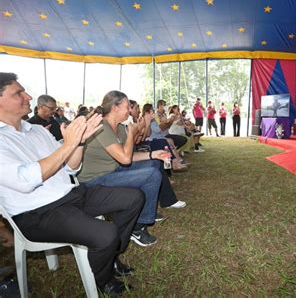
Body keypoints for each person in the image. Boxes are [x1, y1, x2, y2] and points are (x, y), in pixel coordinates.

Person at [0, 73, 144, 295]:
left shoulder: (36, 130)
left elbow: (70, 167)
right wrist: (70, 144)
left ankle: (111, 254)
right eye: (19, 93)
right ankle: (104, 279)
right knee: (106, 232)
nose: (28, 96)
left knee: (133, 198)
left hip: (70, 194)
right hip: (37, 212)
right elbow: (25, 180)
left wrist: (80, 143)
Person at [77, 91, 175, 247]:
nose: (129, 110)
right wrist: (132, 134)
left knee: (155, 164)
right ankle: (137, 227)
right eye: (127, 106)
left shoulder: (119, 127)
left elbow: (128, 155)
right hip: (94, 180)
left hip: (113, 171)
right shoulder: (102, 127)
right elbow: (124, 158)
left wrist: (153, 154)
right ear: (115, 107)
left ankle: (143, 213)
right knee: (152, 174)